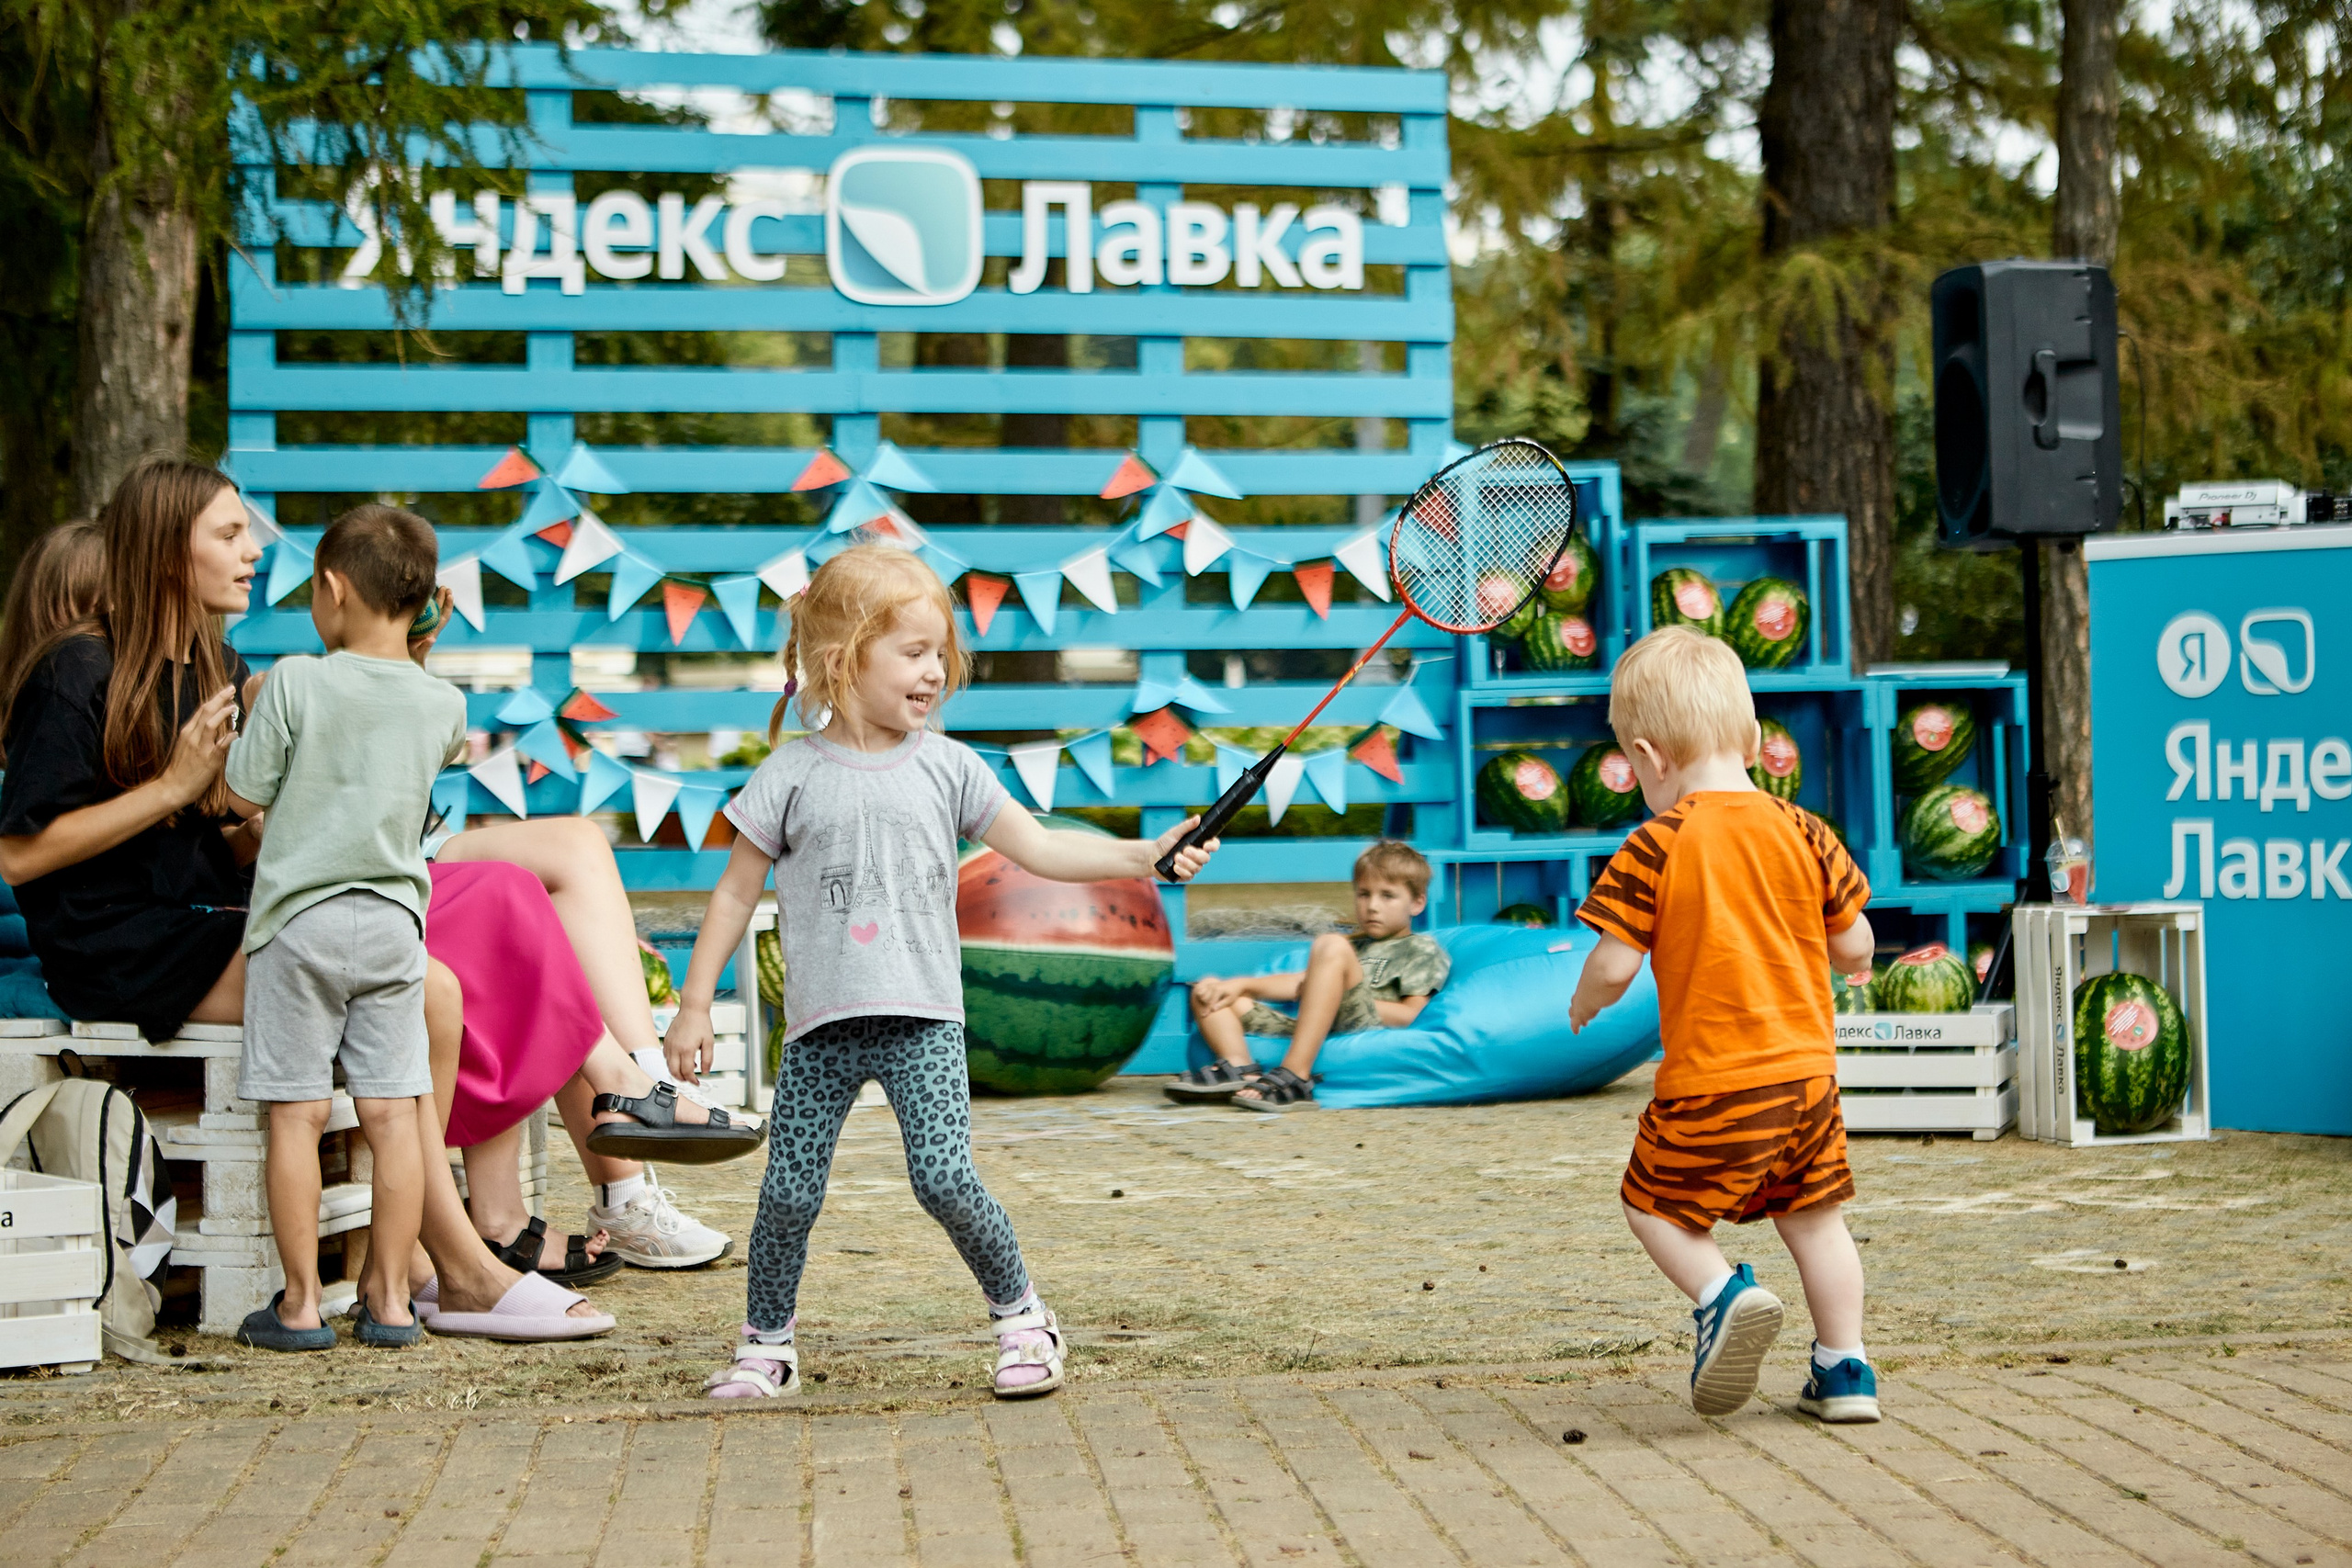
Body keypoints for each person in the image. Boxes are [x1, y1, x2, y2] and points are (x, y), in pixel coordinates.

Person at [0, 461, 711, 1338]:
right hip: (125, 943)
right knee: (421, 995)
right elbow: (23, 855)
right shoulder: (78, 669)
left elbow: (218, 832)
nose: (255, 549)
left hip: (227, 912)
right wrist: (178, 787)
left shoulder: (218, 664)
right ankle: (455, 1268)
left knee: (439, 989)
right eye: (228, 533)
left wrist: (274, 811)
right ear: (161, 549)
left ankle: (416, 1261)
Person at [662, 544, 1219, 1401]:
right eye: (913, 653)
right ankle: (766, 1346)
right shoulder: (789, 775)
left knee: (945, 1177)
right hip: (821, 1027)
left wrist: (1146, 853)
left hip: (924, 1016)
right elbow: (736, 896)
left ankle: (1025, 1318)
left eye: (940, 655)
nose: (934, 673)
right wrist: (695, 1003)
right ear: (845, 658)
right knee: (787, 1195)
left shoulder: (949, 766)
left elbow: (1040, 846)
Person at [1566, 626, 1882, 1423]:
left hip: (1713, 1084)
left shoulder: (1657, 842)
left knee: (1653, 1203)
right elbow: (1857, 942)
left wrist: (1585, 1003)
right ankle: (1846, 1371)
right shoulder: (1806, 830)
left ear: (1649, 756)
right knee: (1816, 1221)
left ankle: (1720, 1295)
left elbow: (1612, 964)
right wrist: (1852, 966)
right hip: (1808, 1082)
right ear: (1751, 738)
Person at [220, 505, 463, 1349]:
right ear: (425, 600)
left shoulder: (294, 680)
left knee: (296, 1115)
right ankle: (391, 1300)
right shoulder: (444, 706)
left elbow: (239, 797)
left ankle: (297, 1305)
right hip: (397, 926)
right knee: (395, 1115)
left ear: (331, 588)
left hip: (299, 921)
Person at [1172, 840, 1452, 1112]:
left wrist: (1331, 1000)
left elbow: (1410, 1015)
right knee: (1208, 990)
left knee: (1330, 943)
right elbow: (1298, 984)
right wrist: (1242, 985)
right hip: (1313, 1024)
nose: (1372, 906)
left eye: (1387, 896)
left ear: (1417, 903)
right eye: (1364, 894)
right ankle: (1240, 1070)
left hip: (1363, 1022)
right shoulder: (1354, 944)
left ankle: (1297, 1074)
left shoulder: (1420, 949)